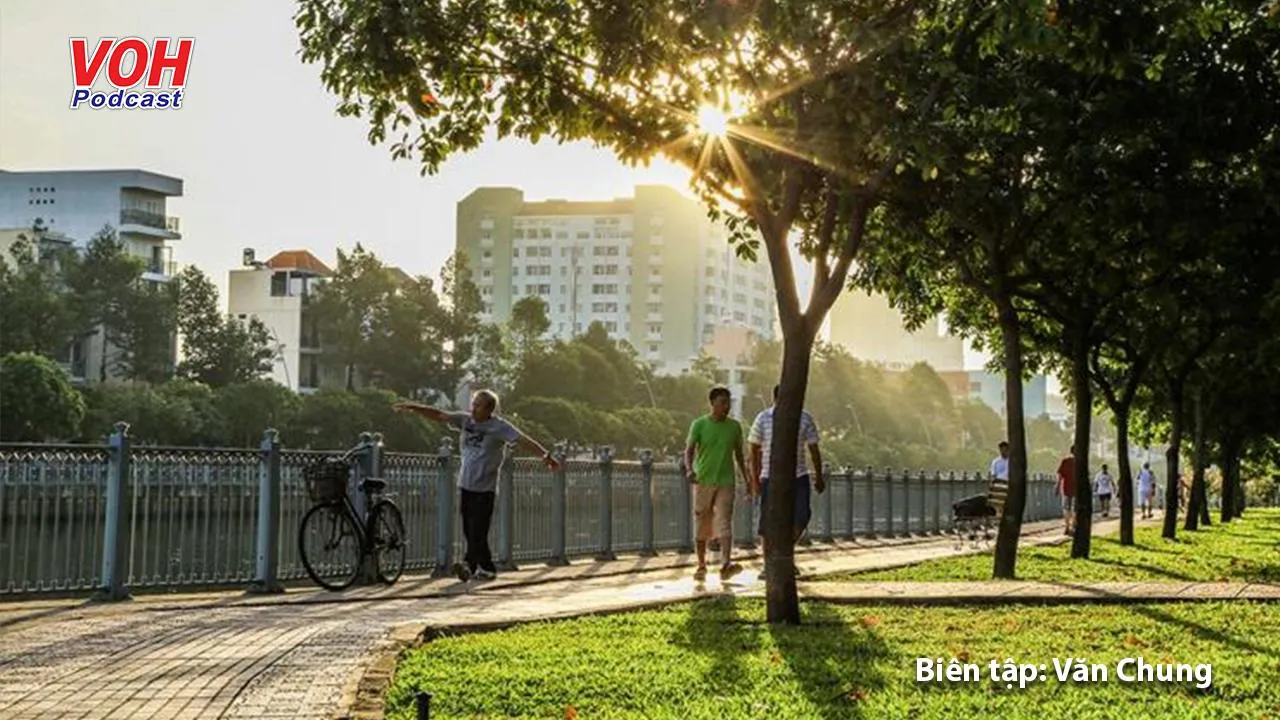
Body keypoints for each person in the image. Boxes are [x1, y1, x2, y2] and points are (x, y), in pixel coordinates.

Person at [394, 390, 558, 582]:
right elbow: (439, 415)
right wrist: (414, 407)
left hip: (485, 488)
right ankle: (486, 568)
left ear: (489, 409)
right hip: (466, 484)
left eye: (478, 405)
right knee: (469, 530)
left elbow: (523, 440)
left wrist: (545, 456)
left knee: (477, 530)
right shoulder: (465, 420)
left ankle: (468, 565)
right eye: (473, 404)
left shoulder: (500, 427)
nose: (473, 408)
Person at [748, 384, 825, 581]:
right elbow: (754, 449)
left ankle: (784, 553)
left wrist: (818, 474)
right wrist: (754, 479)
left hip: (798, 475)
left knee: (802, 514)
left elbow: (813, 448)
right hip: (769, 476)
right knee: (767, 521)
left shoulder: (805, 418)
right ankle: (769, 564)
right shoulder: (763, 418)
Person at [685, 386, 749, 582]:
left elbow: (739, 455)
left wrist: (747, 480)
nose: (726, 407)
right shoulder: (699, 425)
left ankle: (725, 564)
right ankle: (701, 564)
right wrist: (689, 469)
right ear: (712, 403)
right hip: (703, 480)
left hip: (726, 481)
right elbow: (689, 450)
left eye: (728, 403)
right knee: (702, 521)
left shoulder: (734, 427)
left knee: (724, 521)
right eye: (722, 403)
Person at [1055, 445, 1077, 536]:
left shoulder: (1065, 461)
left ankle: (1067, 527)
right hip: (1077, 490)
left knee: (1066, 508)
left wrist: (1057, 486)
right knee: (1074, 509)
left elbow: (1060, 476)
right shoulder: (1080, 462)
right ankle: (1073, 526)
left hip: (1066, 489)